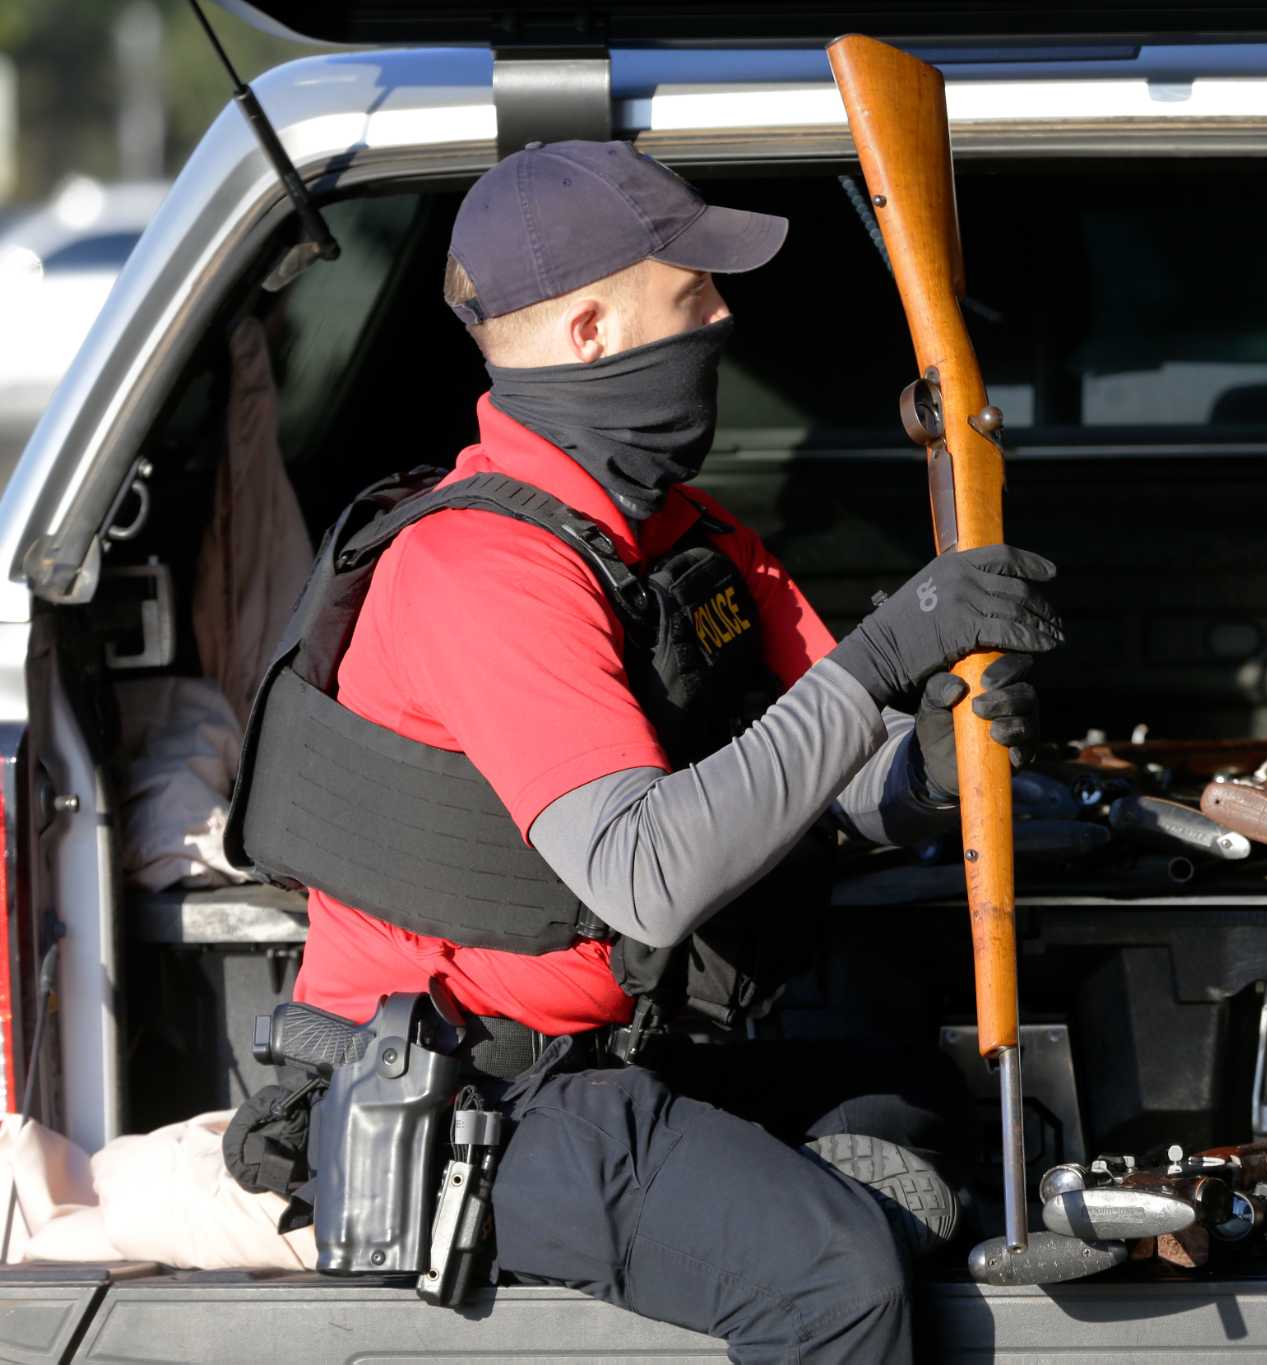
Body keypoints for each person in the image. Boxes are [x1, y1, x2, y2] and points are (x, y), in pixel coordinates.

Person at [264, 141, 1062, 1361]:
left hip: (635, 1049)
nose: (724, 314)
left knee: (915, 1099)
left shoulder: (682, 536)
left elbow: (835, 763)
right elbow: (646, 875)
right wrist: (883, 656)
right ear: (591, 331)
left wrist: (933, 769)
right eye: (692, 291)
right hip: (478, 1091)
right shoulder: (482, 569)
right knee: (832, 1279)